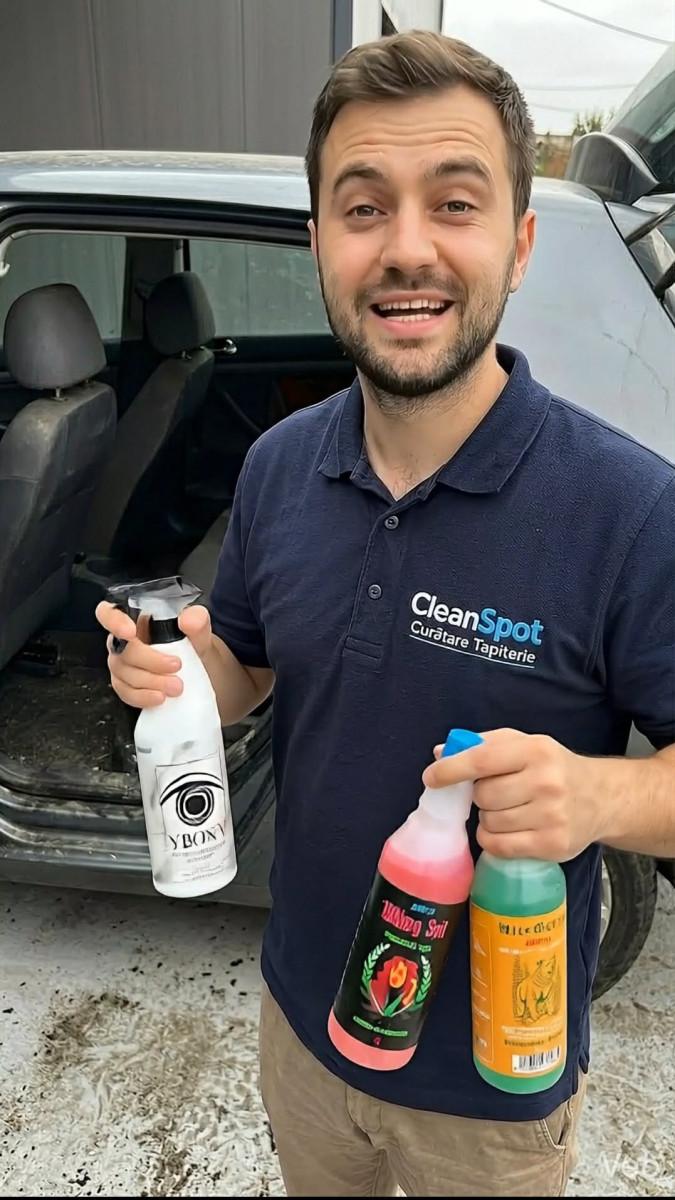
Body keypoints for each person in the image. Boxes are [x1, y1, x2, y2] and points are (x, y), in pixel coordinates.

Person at [96, 29, 675, 1198]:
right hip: (302, 1026)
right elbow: (251, 670)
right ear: (320, 243)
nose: (407, 248)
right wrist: (184, 674)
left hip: (494, 1089)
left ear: (518, 244)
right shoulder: (277, 466)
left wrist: (598, 797)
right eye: (363, 208)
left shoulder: (630, 509)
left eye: (454, 203)